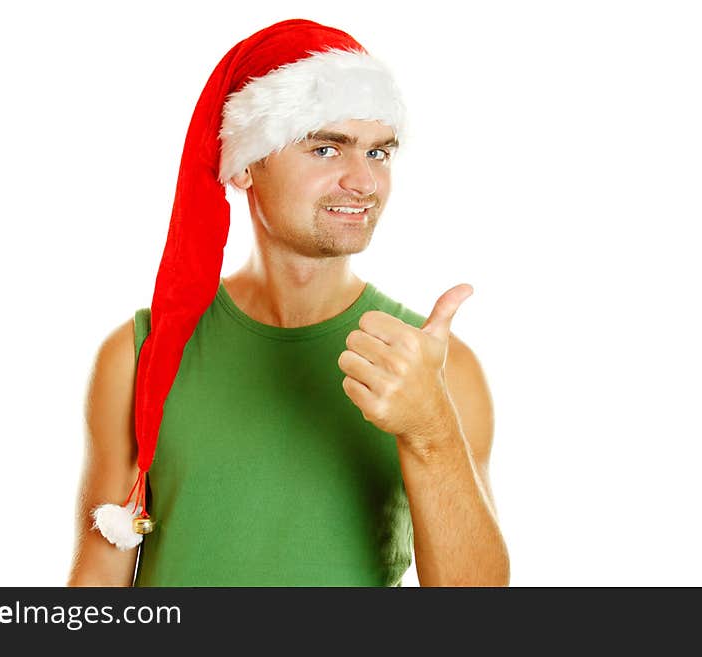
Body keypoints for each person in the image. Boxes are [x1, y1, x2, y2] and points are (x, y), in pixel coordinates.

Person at [67, 18, 510, 587]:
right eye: (327, 148)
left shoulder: (434, 365)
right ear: (248, 163)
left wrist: (430, 429)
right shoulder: (138, 356)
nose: (364, 181)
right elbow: (99, 582)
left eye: (379, 153)